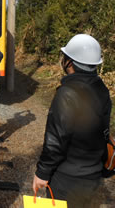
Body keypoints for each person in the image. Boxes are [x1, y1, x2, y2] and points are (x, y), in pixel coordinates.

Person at [33, 34, 112, 208]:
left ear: (69, 62)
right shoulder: (102, 89)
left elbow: (55, 141)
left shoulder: (66, 93)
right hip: (93, 175)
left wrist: (42, 173)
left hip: (67, 178)